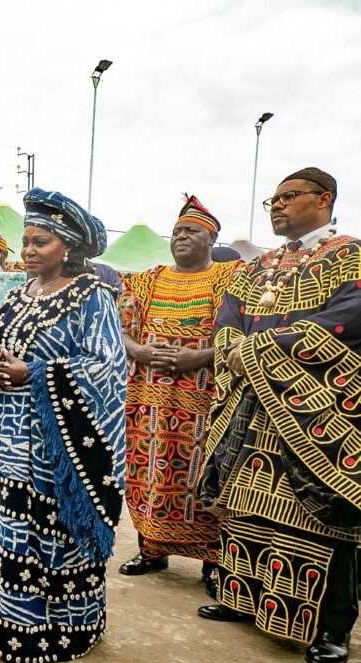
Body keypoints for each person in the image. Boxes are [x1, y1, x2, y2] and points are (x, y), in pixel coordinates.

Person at [198, 167, 361, 663]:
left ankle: (331, 626)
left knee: (319, 514)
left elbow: (348, 318)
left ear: (324, 199)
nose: (277, 206)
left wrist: (259, 349)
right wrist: (235, 350)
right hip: (250, 403)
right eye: (273, 199)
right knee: (247, 504)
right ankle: (242, 599)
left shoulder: (350, 255)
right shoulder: (258, 265)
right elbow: (228, 317)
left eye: (289, 196)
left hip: (313, 406)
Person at [0, 188, 126, 663]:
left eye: (41, 242)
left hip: (55, 445)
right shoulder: (16, 295)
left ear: (68, 246)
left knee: (47, 529)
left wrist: (33, 373)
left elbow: (107, 366)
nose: (29, 251)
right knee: (6, 523)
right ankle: (3, 615)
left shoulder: (92, 296)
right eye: (26, 242)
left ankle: (55, 630)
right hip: (4, 437)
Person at [119, 196, 238, 597]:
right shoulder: (145, 280)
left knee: (204, 477)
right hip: (147, 401)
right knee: (147, 474)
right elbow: (119, 329)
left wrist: (199, 357)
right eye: (176, 232)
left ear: (212, 238)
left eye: (192, 231)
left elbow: (246, 334)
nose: (181, 237)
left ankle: (213, 563)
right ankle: (151, 550)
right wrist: (139, 351)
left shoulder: (232, 278)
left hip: (206, 402)